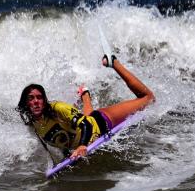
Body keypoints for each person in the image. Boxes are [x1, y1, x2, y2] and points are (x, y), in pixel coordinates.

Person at [17, 55, 155, 160]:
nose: (36, 101)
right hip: (86, 125)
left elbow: (86, 125)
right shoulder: (32, 124)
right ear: (25, 103)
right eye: (31, 98)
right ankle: (85, 94)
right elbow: (59, 141)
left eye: (39, 98)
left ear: (44, 100)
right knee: (83, 118)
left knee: (148, 98)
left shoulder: (57, 108)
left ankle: (114, 63)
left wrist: (83, 146)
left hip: (101, 122)